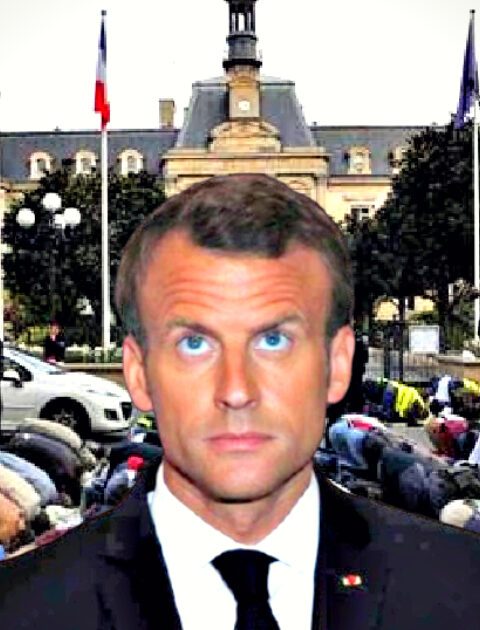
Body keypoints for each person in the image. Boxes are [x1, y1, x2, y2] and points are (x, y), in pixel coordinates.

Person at [1, 173, 480, 629]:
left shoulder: (464, 591)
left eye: (274, 341)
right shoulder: (21, 610)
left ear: (337, 364)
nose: (236, 390)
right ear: (139, 372)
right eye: (194, 344)